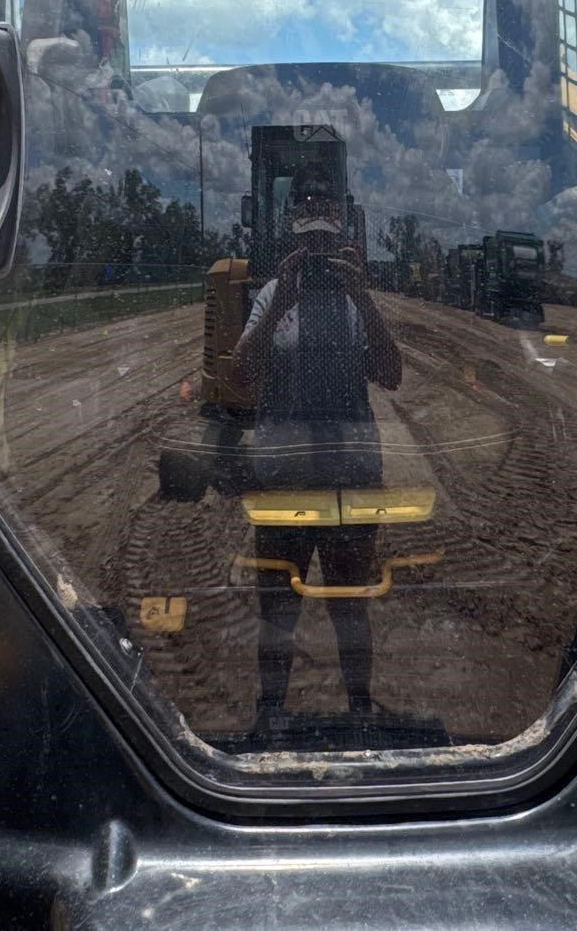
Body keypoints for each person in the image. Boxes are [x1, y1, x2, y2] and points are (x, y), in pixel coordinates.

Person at [229, 166, 402, 731]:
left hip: (350, 475)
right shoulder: (271, 296)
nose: (318, 256)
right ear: (291, 245)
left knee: (350, 605)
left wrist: (365, 299)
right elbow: (240, 374)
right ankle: (270, 709)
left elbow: (392, 374)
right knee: (277, 607)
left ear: (343, 242)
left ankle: (358, 707)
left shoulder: (358, 300)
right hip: (283, 478)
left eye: (326, 244)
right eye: (308, 246)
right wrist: (279, 305)